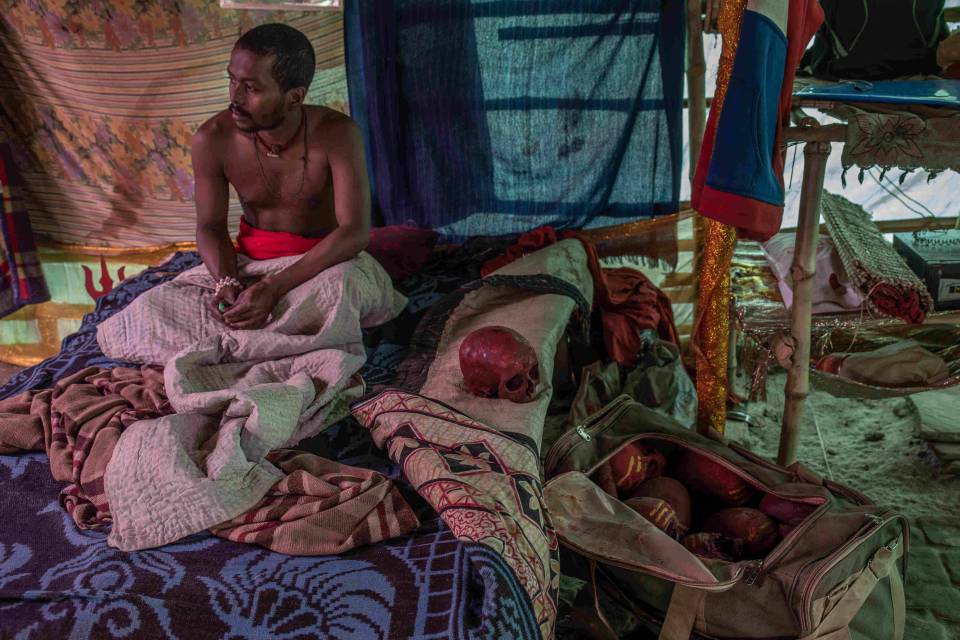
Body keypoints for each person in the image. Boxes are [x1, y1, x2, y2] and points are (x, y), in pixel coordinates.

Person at [191, 23, 370, 331]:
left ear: (294, 97)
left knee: (340, 295)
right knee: (156, 310)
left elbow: (354, 231)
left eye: (251, 88)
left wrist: (274, 288)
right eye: (232, 80)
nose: (234, 97)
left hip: (324, 266)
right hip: (249, 266)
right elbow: (210, 225)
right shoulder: (213, 138)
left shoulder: (337, 133)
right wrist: (226, 282)